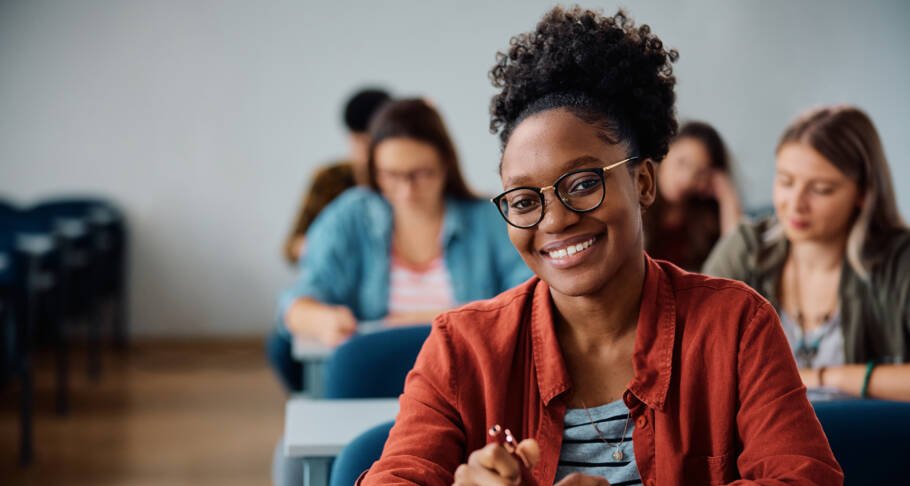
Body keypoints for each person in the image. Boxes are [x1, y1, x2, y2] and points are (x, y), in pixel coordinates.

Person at [358, 7, 841, 485]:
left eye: (584, 183)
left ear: (644, 182)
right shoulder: (462, 349)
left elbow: (803, 479)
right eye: (524, 200)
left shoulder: (735, 327)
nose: (556, 220)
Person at [270, 98, 532, 391]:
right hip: (375, 385)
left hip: (471, 385)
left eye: (421, 174)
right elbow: (298, 300)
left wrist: (416, 321)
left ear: (446, 165)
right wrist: (323, 320)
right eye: (392, 175)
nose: (407, 191)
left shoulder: (488, 219)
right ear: (374, 170)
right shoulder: (350, 215)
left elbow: (530, 299)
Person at [703, 105, 910, 402]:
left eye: (821, 189)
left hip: (862, 433)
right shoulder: (746, 248)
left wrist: (827, 377)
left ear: (864, 193)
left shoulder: (900, 261)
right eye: (786, 182)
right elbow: (690, 355)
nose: (796, 203)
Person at [282, 87, 390, 265]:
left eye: (373, 143)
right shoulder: (329, 178)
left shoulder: (399, 183)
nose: (366, 152)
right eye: (359, 141)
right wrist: (322, 246)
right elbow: (291, 247)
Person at [644, 121, 741, 270]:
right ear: (664, 152)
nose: (686, 179)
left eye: (700, 172)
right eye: (681, 162)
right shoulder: (636, 203)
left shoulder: (704, 222)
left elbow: (736, 263)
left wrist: (727, 198)